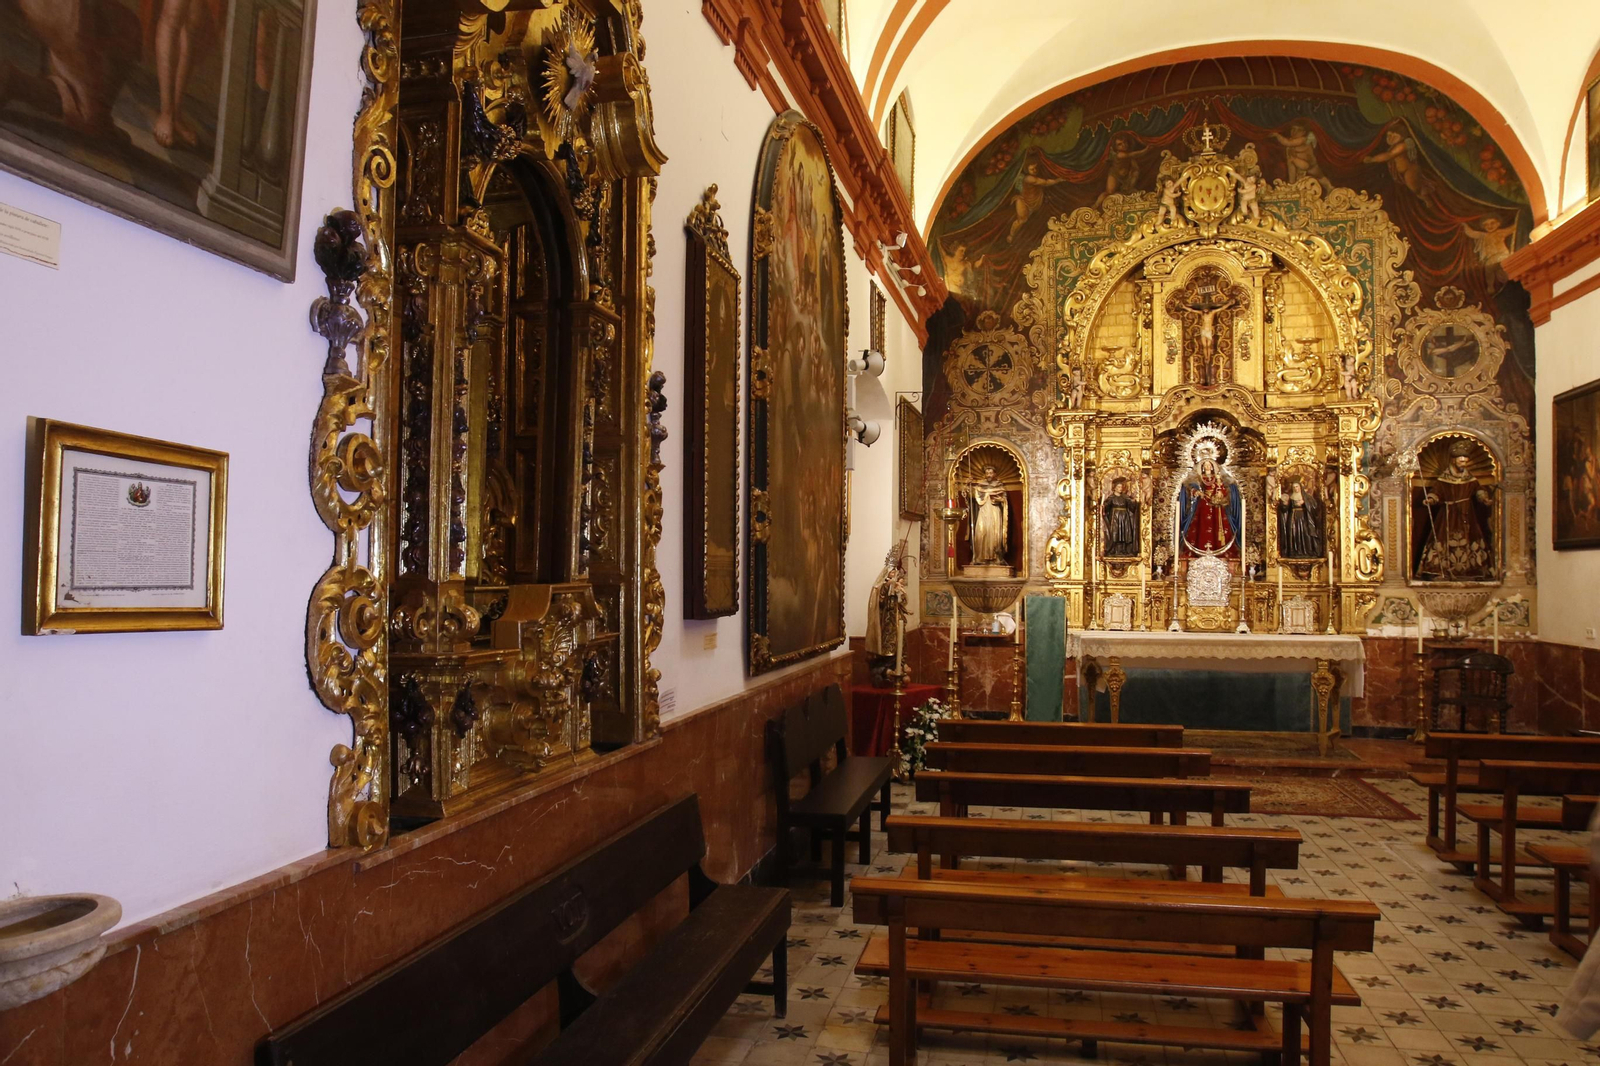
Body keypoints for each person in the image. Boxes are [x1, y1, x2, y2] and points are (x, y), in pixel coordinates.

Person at [1413, 440, 1495, 580]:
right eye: (1460, 461)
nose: (1463, 464)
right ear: (1453, 461)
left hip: (1467, 514)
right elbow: (1436, 491)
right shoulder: (1444, 478)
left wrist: (1484, 498)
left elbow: (1478, 490)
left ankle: (1470, 571)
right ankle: (1442, 571)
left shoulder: (1470, 478)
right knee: (1443, 539)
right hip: (1448, 514)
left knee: (1470, 539)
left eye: (1465, 461)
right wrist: (1430, 499)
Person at [1179, 452, 1241, 557]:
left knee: (1218, 525)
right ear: (1202, 467)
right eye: (1205, 465)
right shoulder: (1199, 478)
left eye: (1209, 465)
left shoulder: (1218, 478)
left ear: (1212, 467)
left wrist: (1220, 494)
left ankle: (1221, 551)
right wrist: (1197, 492)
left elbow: (1222, 489)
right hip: (1203, 503)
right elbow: (1192, 489)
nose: (1207, 467)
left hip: (1216, 506)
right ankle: (1200, 550)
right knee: (1202, 524)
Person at [1007, 160, 1065, 243]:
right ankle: (1011, 236)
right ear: (1027, 170)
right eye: (1032, 169)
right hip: (1024, 201)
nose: (1034, 170)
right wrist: (1058, 180)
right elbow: (1045, 182)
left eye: (1035, 168)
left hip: (1033, 202)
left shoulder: (1034, 175)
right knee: (1022, 220)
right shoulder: (1029, 178)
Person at [1270, 121, 1333, 194]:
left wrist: (1277, 136)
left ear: (1303, 132)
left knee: (1291, 160)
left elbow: (1288, 143)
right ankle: (1329, 186)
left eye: (1298, 130)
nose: (1294, 132)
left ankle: (1291, 183)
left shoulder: (1302, 139)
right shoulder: (1295, 139)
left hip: (1307, 164)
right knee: (1320, 177)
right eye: (1293, 129)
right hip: (1305, 164)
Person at [968, 465, 1010, 566]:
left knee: (995, 534)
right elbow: (970, 496)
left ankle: (996, 558)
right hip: (983, 512)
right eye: (987, 473)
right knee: (981, 532)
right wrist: (968, 485)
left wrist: (1000, 499)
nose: (989, 475)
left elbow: (1004, 500)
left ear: (995, 474)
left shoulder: (999, 486)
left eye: (991, 473)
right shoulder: (980, 486)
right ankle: (979, 558)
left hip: (994, 511)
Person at [1275, 477, 1325, 559]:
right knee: (1294, 534)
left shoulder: (1307, 497)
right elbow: (1285, 510)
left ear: (1300, 487)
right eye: (1294, 487)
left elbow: (1315, 507)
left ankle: (1308, 551)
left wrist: (1305, 503)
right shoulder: (1291, 497)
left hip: (1305, 518)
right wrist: (1284, 504)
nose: (1296, 488)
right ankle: (1294, 552)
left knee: (1306, 533)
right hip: (1293, 519)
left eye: (1297, 486)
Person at [1102, 477, 1141, 557]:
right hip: (1115, 517)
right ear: (1115, 488)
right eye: (1119, 487)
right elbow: (1106, 508)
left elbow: (1132, 507)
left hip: (1124, 517)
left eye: (1121, 487)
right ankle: (1115, 550)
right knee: (1115, 533)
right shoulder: (1111, 498)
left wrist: (1134, 503)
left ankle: (1124, 550)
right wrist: (1103, 506)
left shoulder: (1125, 497)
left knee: (1124, 533)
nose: (1120, 489)